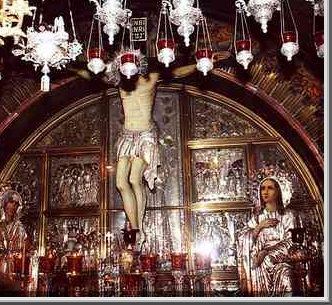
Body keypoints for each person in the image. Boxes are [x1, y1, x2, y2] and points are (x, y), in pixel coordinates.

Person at [72, 50, 228, 248]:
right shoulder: (119, 80)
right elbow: (93, 73)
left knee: (134, 180)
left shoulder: (151, 78)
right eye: (124, 64)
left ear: (138, 64)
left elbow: (177, 73)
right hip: (127, 136)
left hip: (146, 135)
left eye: (131, 63)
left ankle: (140, 230)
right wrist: (72, 67)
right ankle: (135, 228)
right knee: (121, 183)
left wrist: (202, 63)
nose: (128, 67)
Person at [237, 176, 296, 296]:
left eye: (270, 188)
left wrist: (267, 252)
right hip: (259, 263)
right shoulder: (257, 218)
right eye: (263, 188)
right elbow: (242, 239)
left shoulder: (288, 215)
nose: (265, 192)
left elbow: (290, 242)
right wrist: (259, 227)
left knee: (286, 278)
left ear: (278, 191)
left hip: (280, 262)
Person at [0, 189, 29, 276]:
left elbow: (24, 244)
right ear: (4, 204)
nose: (13, 207)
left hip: (16, 261)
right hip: (1, 261)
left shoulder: (20, 226)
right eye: (11, 202)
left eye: (16, 204)